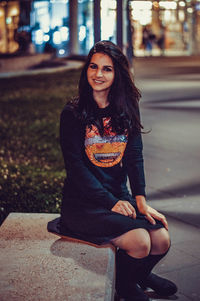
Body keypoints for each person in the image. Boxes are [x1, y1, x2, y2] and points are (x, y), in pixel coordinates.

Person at [48, 40, 177, 301]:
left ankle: (138, 276)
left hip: (119, 196)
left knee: (161, 237)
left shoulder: (126, 108)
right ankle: (126, 286)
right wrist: (111, 202)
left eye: (107, 69)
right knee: (141, 241)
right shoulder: (73, 113)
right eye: (93, 67)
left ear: (117, 73)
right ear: (86, 71)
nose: (98, 74)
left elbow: (134, 155)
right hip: (83, 205)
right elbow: (76, 170)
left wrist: (140, 202)